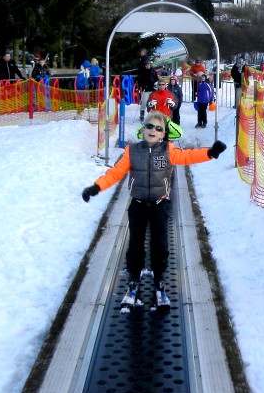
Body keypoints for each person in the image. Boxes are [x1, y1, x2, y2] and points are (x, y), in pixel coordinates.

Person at [80, 111, 226, 309]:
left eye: (158, 128)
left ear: (163, 134)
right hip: (138, 206)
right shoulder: (132, 152)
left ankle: (159, 283)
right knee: (135, 246)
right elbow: (115, 173)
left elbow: (189, 156)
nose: (153, 130)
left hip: (159, 205)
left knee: (160, 246)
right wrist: (96, 187)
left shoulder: (169, 151)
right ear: (143, 129)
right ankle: (133, 282)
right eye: (150, 126)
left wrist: (210, 153)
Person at [137, 58, 159, 122]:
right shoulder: (142, 72)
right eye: (146, 65)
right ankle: (142, 113)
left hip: (152, 89)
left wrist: (155, 85)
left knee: (153, 102)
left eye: (148, 64)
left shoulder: (153, 71)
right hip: (146, 89)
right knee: (144, 101)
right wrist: (143, 85)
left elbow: (156, 79)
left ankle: (153, 114)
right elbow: (140, 81)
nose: (147, 66)